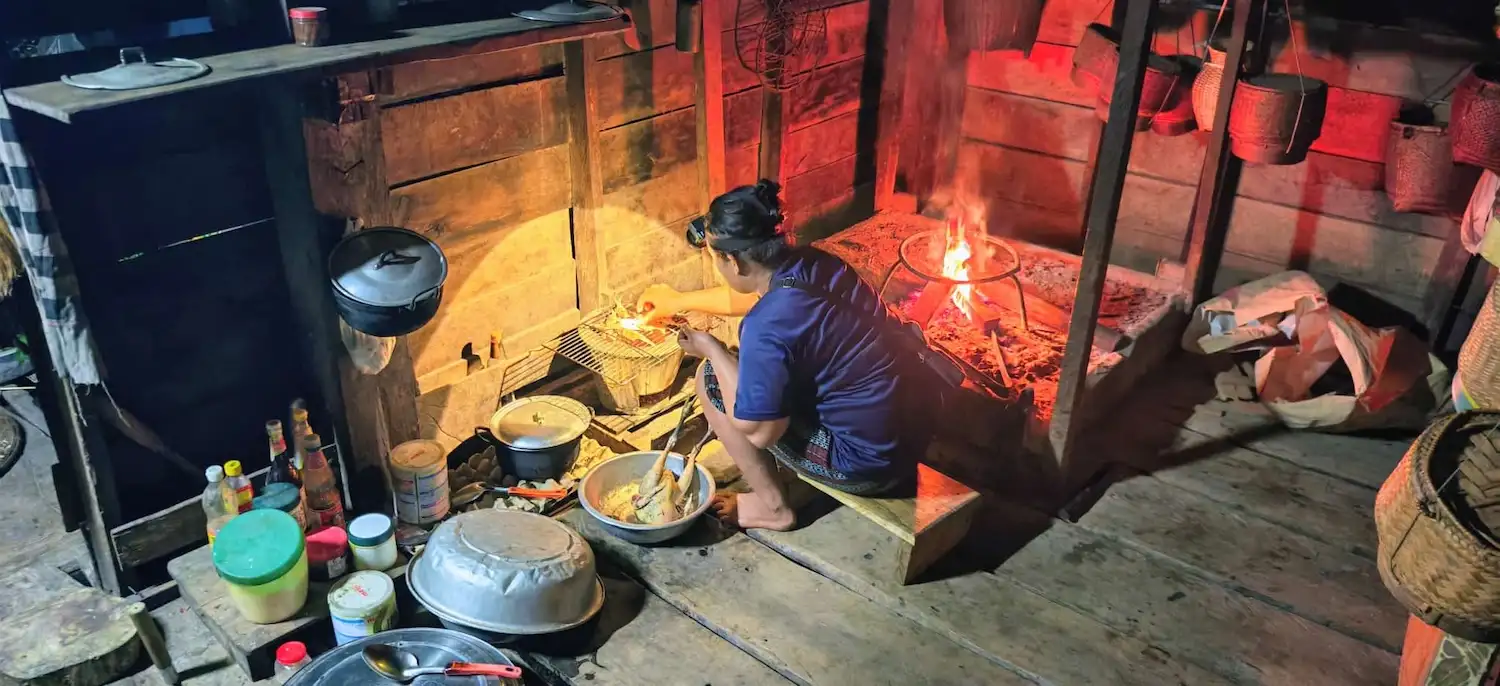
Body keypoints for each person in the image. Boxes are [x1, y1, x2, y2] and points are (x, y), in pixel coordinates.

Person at [637, 180, 929, 531]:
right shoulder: (816, 265)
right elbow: (749, 295)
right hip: (915, 431)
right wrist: (677, 301)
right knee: (747, 372)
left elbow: (761, 433)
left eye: (715, 257)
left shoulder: (765, 327)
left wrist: (712, 350)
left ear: (732, 260)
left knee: (711, 379)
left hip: (871, 465)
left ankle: (773, 509)